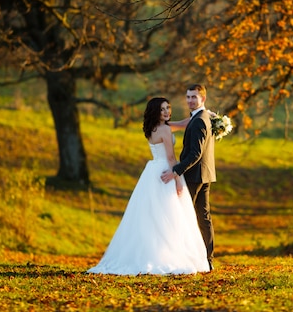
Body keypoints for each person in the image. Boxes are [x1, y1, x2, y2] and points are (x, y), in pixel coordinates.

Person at [87, 97, 210, 275]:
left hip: (153, 171)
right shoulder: (166, 130)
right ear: (156, 112)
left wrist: (205, 115)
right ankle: (168, 255)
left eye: (168, 107)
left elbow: (183, 123)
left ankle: (153, 253)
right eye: (162, 109)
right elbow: (170, 158)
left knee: (152, 216)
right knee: (170, 215)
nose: (167, 111)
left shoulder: (153, 128)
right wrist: (176, 177)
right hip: (167, 171)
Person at [161, 84, 216, 271]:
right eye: (188, 97)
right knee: (203, 217)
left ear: (203, 99)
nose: (190, 100)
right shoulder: (204, 116)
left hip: (194, 175)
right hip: (205, 174)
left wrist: (176, 170)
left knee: (185, 216)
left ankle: (188, 259)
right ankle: (207, 260)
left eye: (194, 97)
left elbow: (195, 153)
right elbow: (186, 123)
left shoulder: (200, 120)